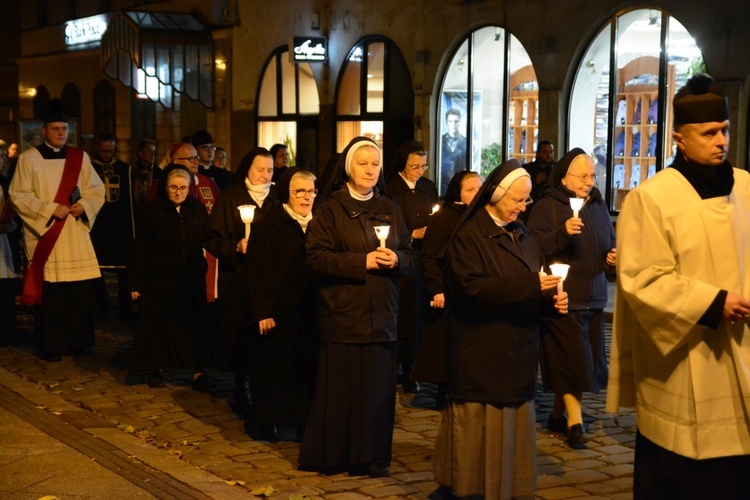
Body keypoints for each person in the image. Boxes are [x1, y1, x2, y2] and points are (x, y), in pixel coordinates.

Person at [607, 74, 750, 497]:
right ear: (679, 138)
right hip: (687, 360)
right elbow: (641, 278)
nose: (720, 140)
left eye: (724, 131)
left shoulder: (746, 186)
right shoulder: (651, 198)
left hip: (743, 350)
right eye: (708, 133)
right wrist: (712, 302)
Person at [433, 159, 568, 499]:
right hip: (480, 352)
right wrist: (530, 287)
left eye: (526, 201)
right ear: (494, 195)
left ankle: (508, 487)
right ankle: (468, 489)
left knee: (513, 430)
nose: (522, 208)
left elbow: (534, 282)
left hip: (518, 352)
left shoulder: (522, 234)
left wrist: (551, 302)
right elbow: (469, 289)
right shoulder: (468, 237)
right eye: (517, 201)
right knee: (479, 432)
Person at [299, 137, 414, 478]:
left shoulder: (390, 207)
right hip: (344, 314)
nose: (369, 170)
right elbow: (316, 257)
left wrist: (398, 259)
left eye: (375, 164)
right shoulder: (331, 209)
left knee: (377, 393)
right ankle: (337, 456)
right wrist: (361, 261)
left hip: (382, 315)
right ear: (349, 168)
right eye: (362, 163)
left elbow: (409, 253)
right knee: (343, 393)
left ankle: (372, 456)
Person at [527, 148, 616, 449]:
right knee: (574, 361)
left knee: (581, 361)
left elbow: (607, 238)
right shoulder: (547, 206)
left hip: (594, 295)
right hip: (563, 296)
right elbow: (533, 245)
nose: (589, 181)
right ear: (564, 176)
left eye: (592, 175)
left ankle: (555, 416)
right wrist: (563, 233)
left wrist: (611, 257)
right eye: (582, 176)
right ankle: (574, 422)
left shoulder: (597, 203)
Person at [10, 99, 105, 362]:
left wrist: (83, 205)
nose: (61, 133)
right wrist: (50, 208)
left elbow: (97, 190)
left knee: (79, 293)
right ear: (44, 131)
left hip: (75, 233)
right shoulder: (29, 159)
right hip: (48, 234)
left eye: (64, 129)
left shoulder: (80, 157)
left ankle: (80, 342)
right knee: (52, 295)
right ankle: (51, 345)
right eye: (55, 129)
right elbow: (18, 195)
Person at [245, 167, 319, 442]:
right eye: (299, 191)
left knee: (306, 368)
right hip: (277, 311)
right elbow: (257, 273)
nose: (305, 197)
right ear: (287, 193)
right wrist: (263, 312)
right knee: (274, 369)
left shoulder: (320, 223)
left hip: (310, 311)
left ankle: (303, 421)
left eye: (311, 191)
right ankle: (269, 421)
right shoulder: (268, 225)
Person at [205, 147, 278, 415]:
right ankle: (241, 385)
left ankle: (266, 385)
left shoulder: (277, 198)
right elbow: (212, 238)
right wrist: (236, 246)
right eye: (260, 170)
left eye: (269, 170)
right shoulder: (231, 197)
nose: (265, 176)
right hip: (239, 279)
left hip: (269, 281)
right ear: (248, 168)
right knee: (241, 334)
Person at [129, 164, 214, 391]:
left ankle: (198, 371)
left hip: (191, 279)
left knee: (195, 326)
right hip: (161, 279)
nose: (178, 192)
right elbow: (142, 248)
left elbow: (208, 238)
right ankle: (156, 369)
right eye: (174, 187)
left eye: (183, 188)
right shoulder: (153, 210)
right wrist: (137, 282)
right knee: (158, 328)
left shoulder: (196, 208)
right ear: (165, 187)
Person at [414, 170, 481, 408]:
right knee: (445, 344)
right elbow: (430, 257)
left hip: (472, 290)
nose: (475, 193)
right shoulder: (444, 218)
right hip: (448, 290)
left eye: (478, 188)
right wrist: (437, 288)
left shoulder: (481, 216)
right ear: (457, 193)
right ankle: (444, 393)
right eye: (469, 189)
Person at [385, 140, 440, 392]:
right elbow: (386, 223)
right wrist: (411, 234)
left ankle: (414, 365)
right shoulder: (390, 188)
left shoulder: (427, 187)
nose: (419, 171)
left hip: (424, 258)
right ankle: (399, 365)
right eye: (414, 166)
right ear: (403, 164)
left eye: (423, 166)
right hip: (400, 256)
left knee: (418, 311)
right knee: (402, 312)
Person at [149, 142, 221, 305]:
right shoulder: (160, 187)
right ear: (176, 161)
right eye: (190, 158)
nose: (196, 161)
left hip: (204, 251)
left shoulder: (208, 182)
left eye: (196, 157)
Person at [90, 132, 135, 323]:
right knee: (95, 269)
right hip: (97, 227)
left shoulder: (125, 169)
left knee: (124, 270)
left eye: (111, 150)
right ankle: (102, 307)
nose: (107, 154)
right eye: (104, 151)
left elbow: (130, 203)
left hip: (119, 227)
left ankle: (125, 309)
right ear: (97, 149)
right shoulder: (89, 168)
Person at [439, 108, 467, 195]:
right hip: (442, 184)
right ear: (446, 122)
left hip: (460, 183)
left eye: (456, 121)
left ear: (460, 122)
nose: (453, 124)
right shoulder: (440, 140)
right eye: (450, 121)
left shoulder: (466, 141)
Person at [522, 140, 556, 205]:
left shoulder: (557, 169)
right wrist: (534, 181)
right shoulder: (527, 169)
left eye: (551, 152)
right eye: (545, 152)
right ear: (538, 153)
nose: (549, 155)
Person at [131, 139, 157, 218]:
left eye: (154, 152)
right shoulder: (132, 172)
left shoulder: (158, 173)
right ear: (140, 154)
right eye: (149, 151)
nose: (152, 154)